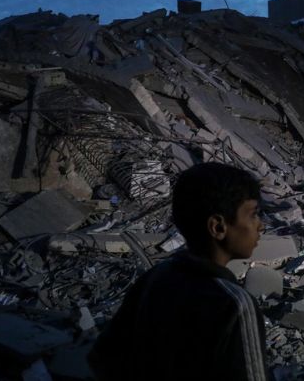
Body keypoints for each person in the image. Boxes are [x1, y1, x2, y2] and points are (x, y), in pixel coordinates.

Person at [88, 162, 269, 381]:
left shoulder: (156, 277)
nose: (260, 226)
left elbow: (103, 357)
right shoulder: (236, 305)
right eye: (253, 215)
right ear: (218, 227)